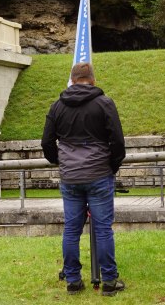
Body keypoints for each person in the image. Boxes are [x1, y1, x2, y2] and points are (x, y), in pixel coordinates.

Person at [41, 62, 126, 296]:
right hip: (99, 173)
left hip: (70, 176)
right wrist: (111, 166)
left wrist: (60, 162)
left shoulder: (57, 106)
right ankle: (109, 281)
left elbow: (46, 143)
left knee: (71, 230)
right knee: (103, 229)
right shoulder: (104, 103)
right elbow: (118, 142)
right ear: (93, 80)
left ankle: (73, 280)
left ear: (72, 79)